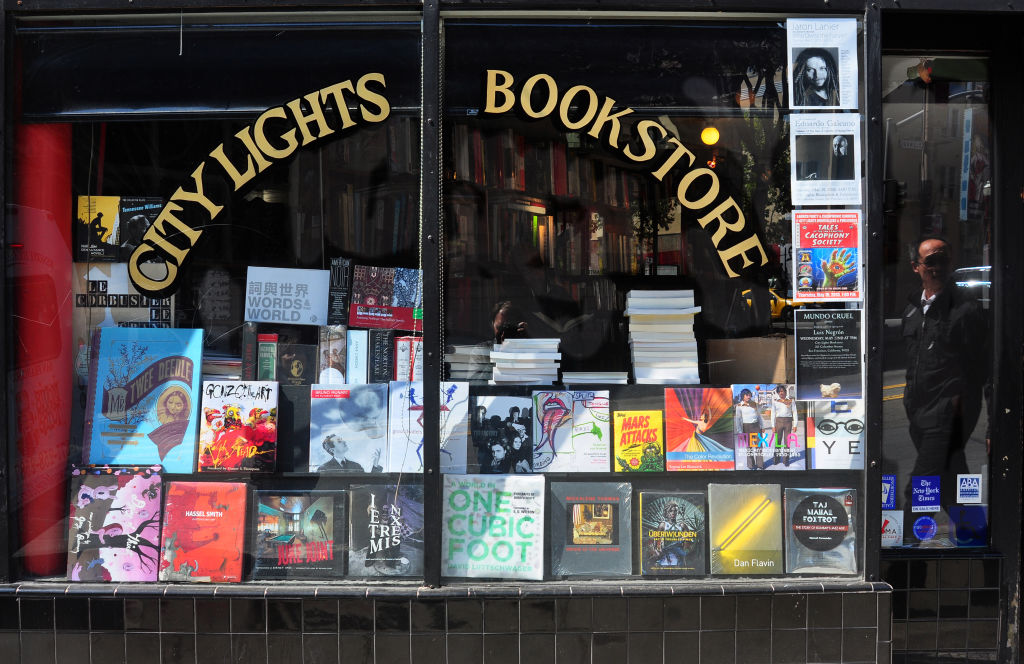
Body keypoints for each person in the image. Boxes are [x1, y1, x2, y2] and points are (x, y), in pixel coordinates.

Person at [901, 236, 989, 542]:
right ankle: (980, 549)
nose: (938, 267)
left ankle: (904, 558)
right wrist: (909, 402)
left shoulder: (966, 311)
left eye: (943, 260)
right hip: (919, 416)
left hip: (948, 416)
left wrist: (989, 425)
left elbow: (983, 370)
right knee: (952, 486)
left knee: (920, 488)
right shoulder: (913, 311)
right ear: (916, 267)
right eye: (931, 262)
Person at [318, 434, 382, 472]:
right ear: (332, 450)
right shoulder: (324, 469)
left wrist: (375, 465)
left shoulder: (356, 466)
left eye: (342, 440)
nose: (344, 442)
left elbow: (369, 486)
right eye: (339, 441)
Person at [736, 389, 765, 470]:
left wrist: (762, 426)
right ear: (743, 396)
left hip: (756, 427)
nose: (749, 396)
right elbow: (738, 419)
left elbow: (759, 416)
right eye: (746, 395)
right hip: (746, 427)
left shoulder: (754, 404)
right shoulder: (739, 406)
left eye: (749, 395)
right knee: (749, 447)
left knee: (759, 446)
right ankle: (751, 465)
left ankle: (760, 465)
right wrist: (740, 431)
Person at [771, 385, 794, 467]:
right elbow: (773, 414)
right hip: (778, 422)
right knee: (778, 442)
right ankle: (776, 459)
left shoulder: (791, 400)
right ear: (778, 393)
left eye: (782, 391)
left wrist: (796, 424)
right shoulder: (775, 401)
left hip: (788, 422)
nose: (781, 393)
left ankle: (786, 460)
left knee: (787, 442)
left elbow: (794, 412)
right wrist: (773, 426)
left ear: (785, 391)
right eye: (779, 391)